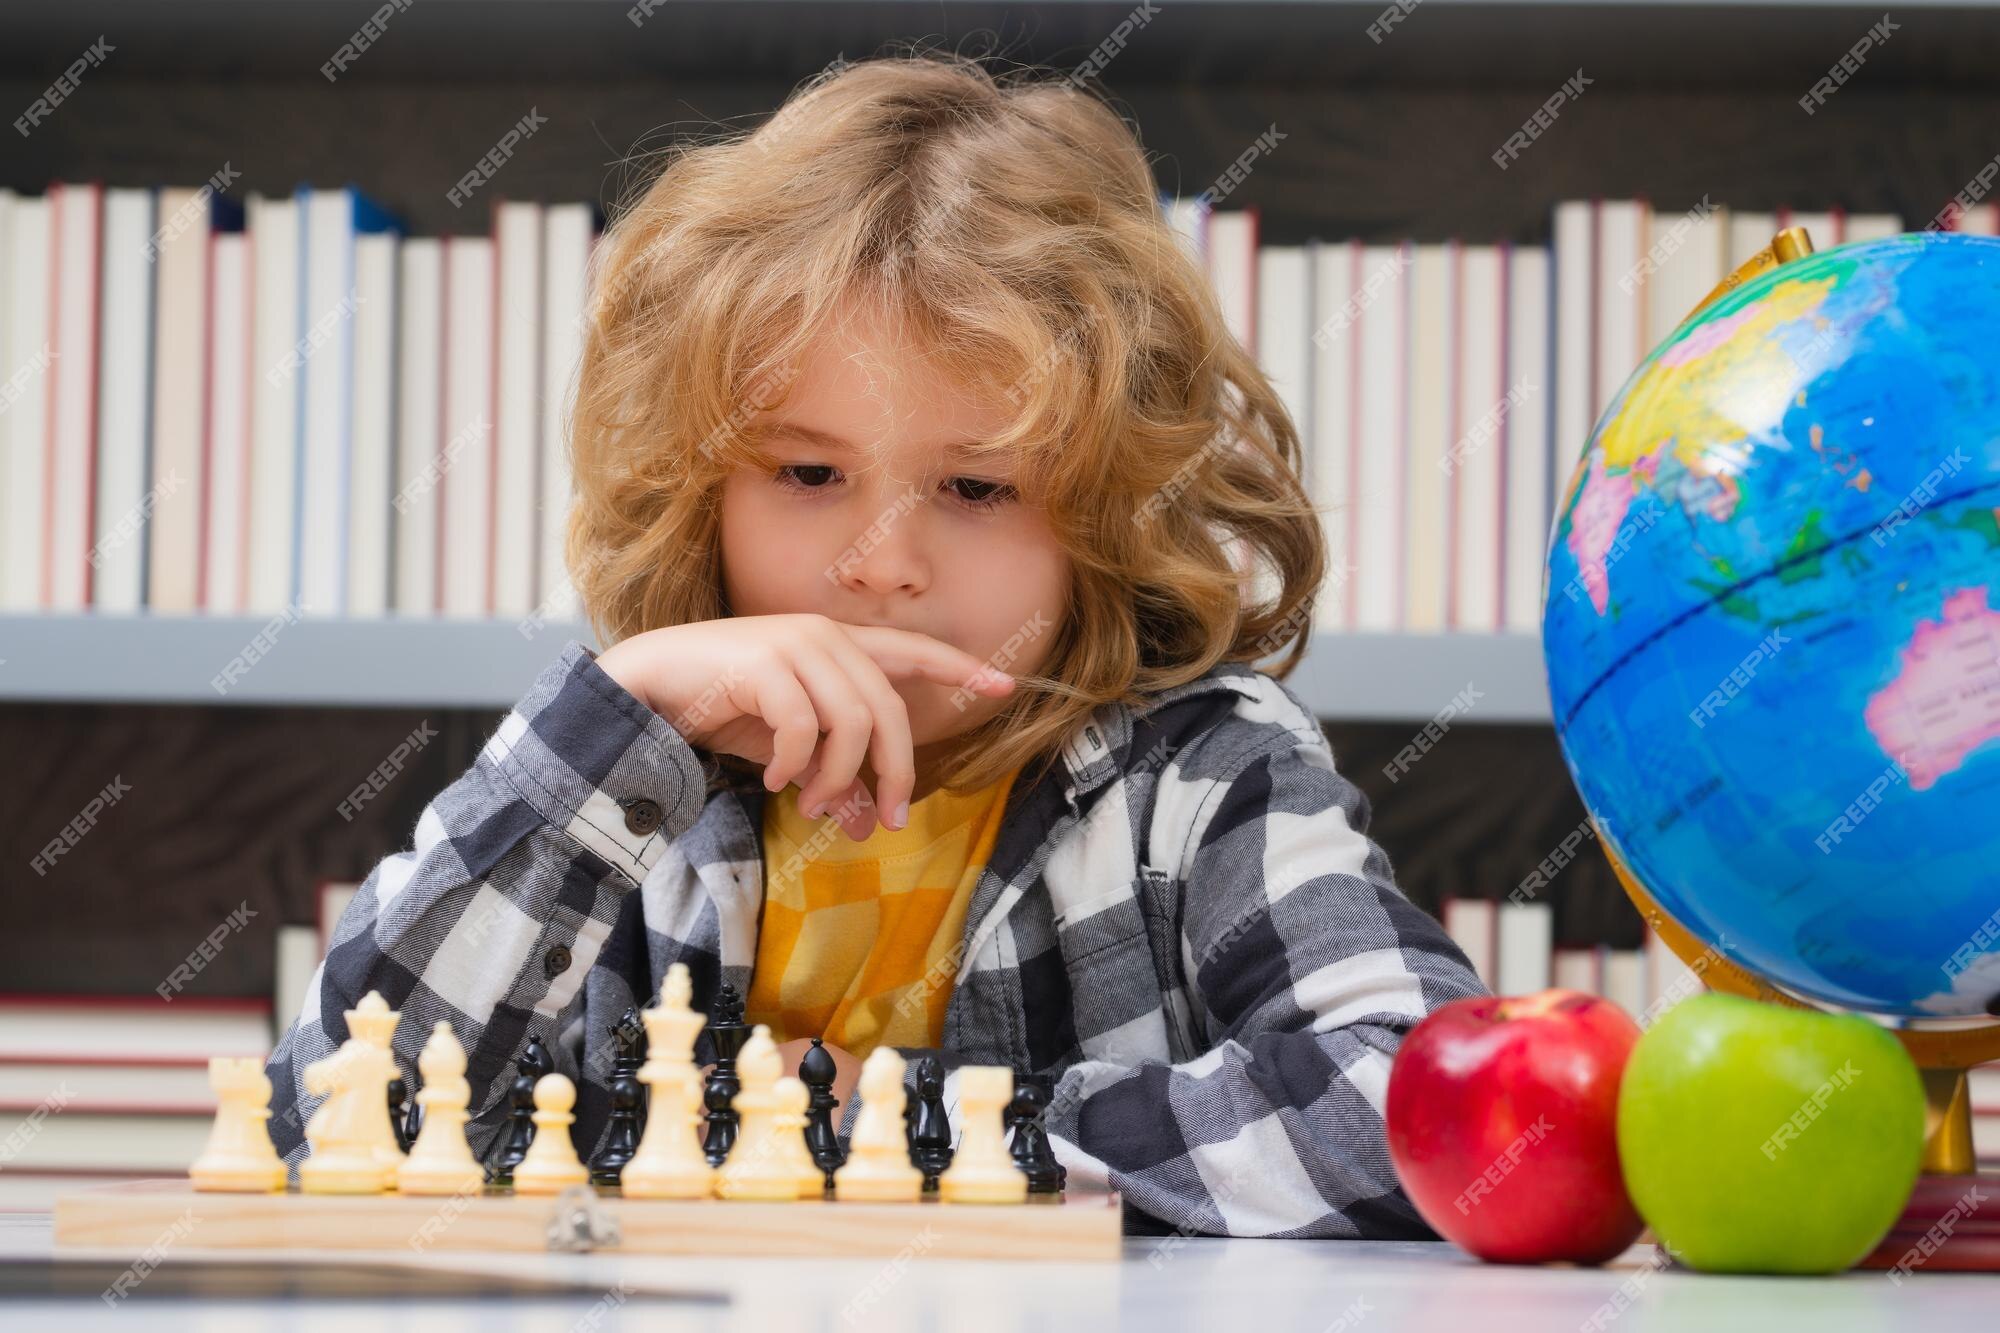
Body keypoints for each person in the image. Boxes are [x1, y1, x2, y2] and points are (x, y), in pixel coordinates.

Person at [266, 50, 1486, 1238]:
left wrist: (907, 1121)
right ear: (699, 495)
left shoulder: (1202, 777)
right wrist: (614, 720)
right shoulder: (635, 808)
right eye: (808, 471)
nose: (882, 560)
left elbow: (1421, 1114)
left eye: (973, 486)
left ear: (1103, 512)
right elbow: (325, 1121)